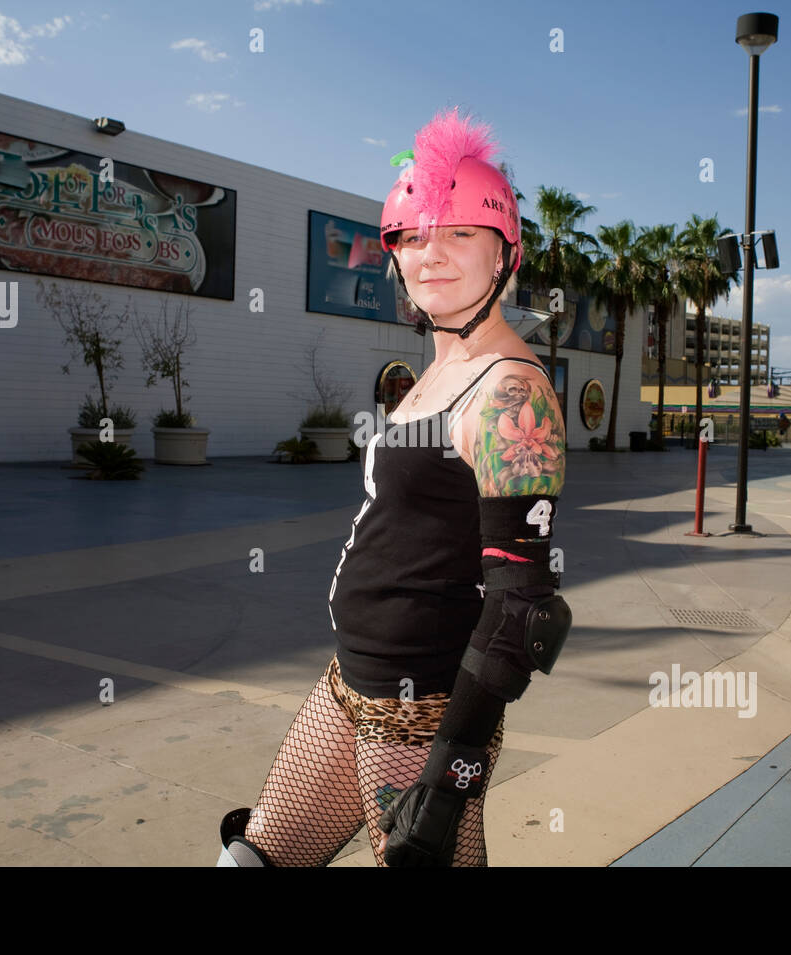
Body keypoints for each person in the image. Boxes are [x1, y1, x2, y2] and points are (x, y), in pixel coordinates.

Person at [214, 107, 572, 867]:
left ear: (506, 251)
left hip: (424, 707)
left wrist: (452, 771)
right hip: (354, 677)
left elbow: (522, 611)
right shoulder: (436, 374)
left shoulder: (511, 391)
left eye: (458, 234)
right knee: (252, 860)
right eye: (411, 237)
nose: (429, 254)